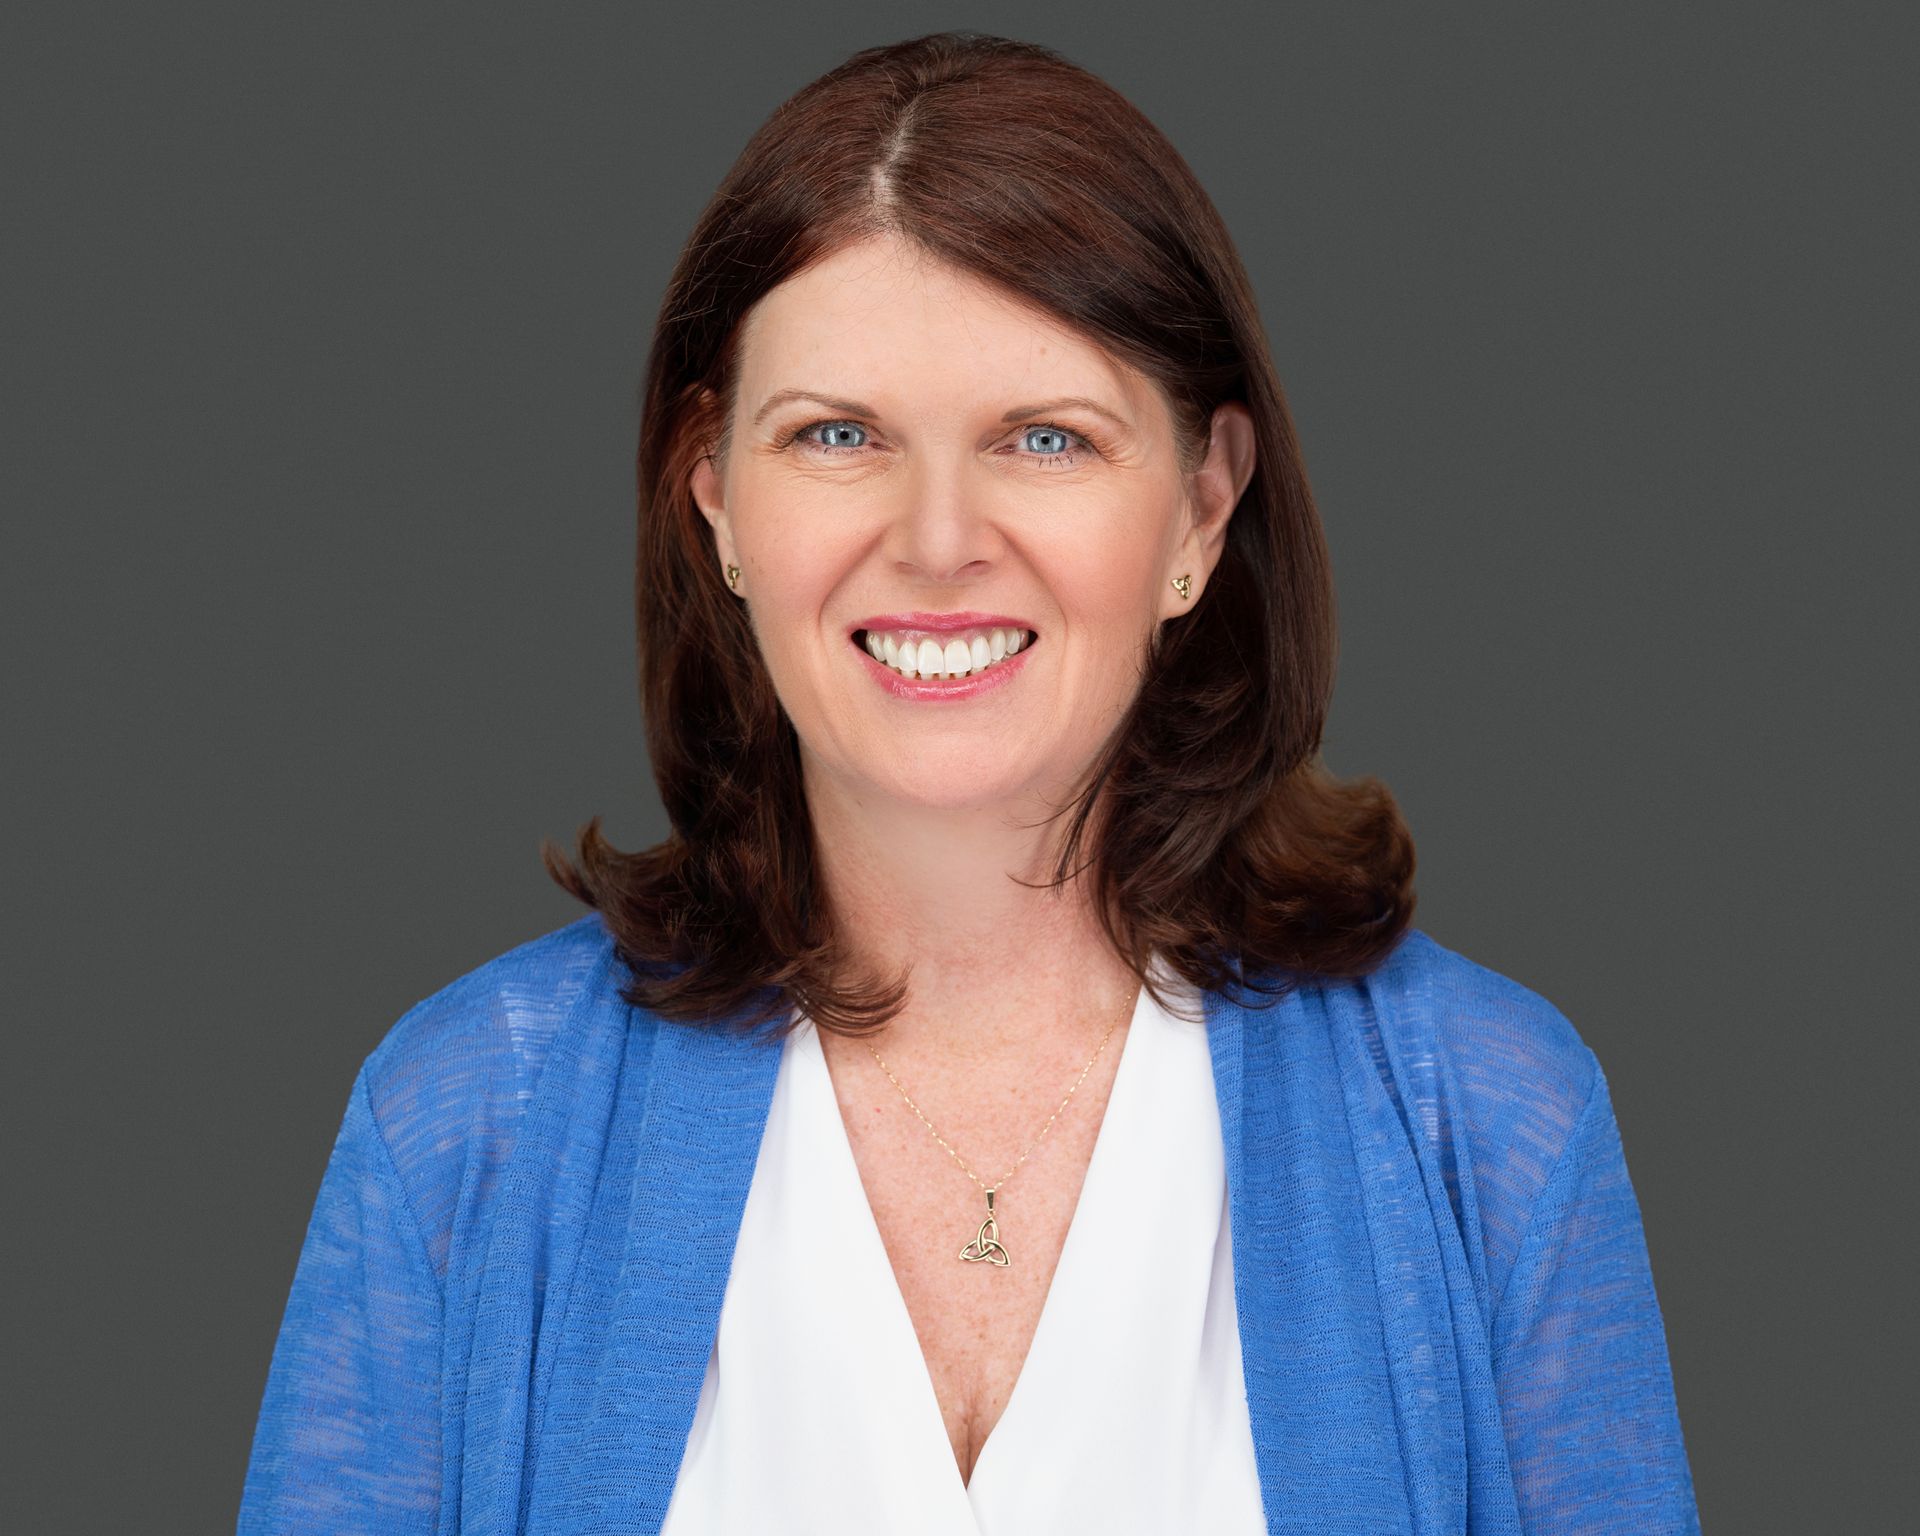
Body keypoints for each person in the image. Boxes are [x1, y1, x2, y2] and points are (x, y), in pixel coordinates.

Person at [238, 30, 1700, 1536]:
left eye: (1047, 438)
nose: (939, 542)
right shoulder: (465, 1121)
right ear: (717, 493)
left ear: (1202, 504)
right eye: (839, 435)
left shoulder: (1493, 1121)